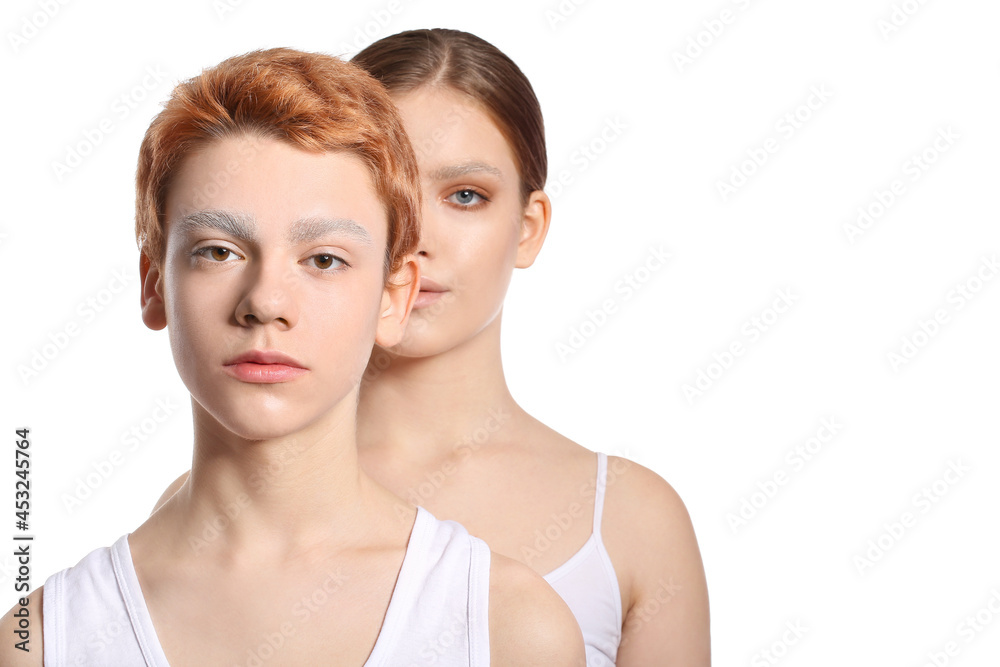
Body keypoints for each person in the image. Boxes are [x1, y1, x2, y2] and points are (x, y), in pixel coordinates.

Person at [0, 47, 584, 666]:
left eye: (324, 260)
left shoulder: (509, 630)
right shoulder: (39, 643)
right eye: (218, 252)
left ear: (394, 296)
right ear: (153, 284)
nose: (265, 303)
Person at [156, 29, 711, 665]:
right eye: (387, 193)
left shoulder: (632, 520)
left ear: (528, 228)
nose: (414, 236)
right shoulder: (210, 507)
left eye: (466, 196)